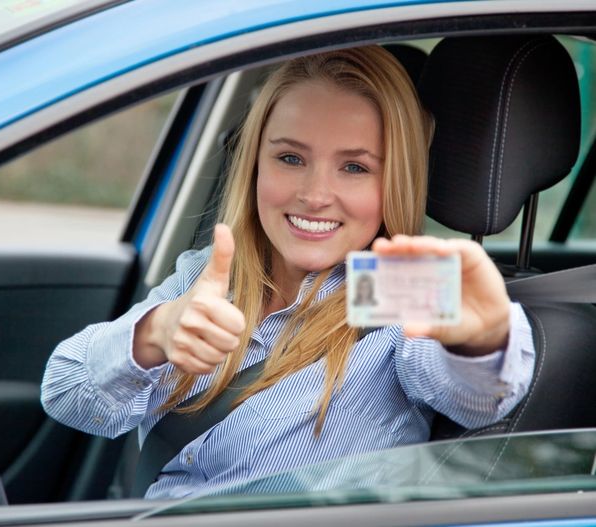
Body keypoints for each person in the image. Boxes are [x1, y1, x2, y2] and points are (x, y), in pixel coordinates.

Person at [41, 46, 535, 499]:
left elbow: (479, 396)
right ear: (255, 162)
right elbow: (65, 392)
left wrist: (484, 338)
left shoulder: (397, 287)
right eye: (291, 158)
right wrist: (155, 333)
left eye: (355, 168)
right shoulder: (211, 278)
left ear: (396, 180)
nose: (315, 194)